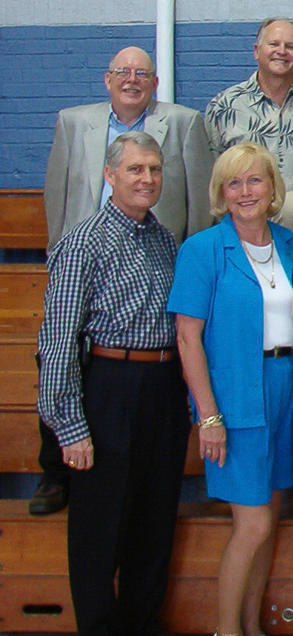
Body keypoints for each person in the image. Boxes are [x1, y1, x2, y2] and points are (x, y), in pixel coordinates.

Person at [36, 45, 212, 516]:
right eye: (123, 72)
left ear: (155, 82)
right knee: (59, 351)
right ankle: (56, 469)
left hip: (153, 280)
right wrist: (60, 253)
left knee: (151, 506)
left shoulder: (183, 124)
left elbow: (197, 205)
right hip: (90, 279)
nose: (132, 80)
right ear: (107, 79)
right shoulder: (74, 123)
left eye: (142, 73)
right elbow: (57, 193)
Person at [37, 131, 191, 636]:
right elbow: (57, 341)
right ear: (110, 174)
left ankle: (143, 624)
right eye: (135, 169)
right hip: (109, 386)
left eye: (154, 169)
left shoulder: (165, 240)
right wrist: (69, 427)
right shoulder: (82, 243)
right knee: (99, 528)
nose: (147, 179)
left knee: (154, 521)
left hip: (162, 386)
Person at [168, 143, 293, 636]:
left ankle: (252, 626)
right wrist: (207, 416)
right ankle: (226, 631)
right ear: (221, 192)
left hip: (288, 389)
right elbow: (188, 338)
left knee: (271, 519)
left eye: (255, 180)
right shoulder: (202, 249)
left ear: (272, 187)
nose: (245, 192)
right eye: (234, 182)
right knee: (253, 524)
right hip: (236, 395)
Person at [205, 17, 293, 241]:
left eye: (290, 46)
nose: (282, 51)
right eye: (274, 44)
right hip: (243, 217)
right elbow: (212, 172)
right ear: (256, 51)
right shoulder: (225, 105)